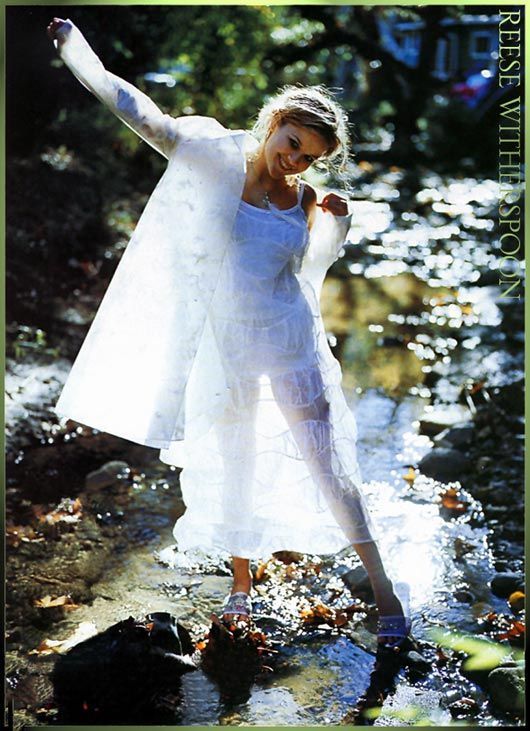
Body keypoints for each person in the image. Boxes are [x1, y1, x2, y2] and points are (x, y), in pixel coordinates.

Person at [47, 17, 411, 651]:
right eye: (292, 144)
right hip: (229, 347)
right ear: (275, 123)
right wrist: (79, 53)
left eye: (309, 156)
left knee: (328, 462)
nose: (295, 160)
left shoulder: (305, 198)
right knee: (237, 460)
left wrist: (337, 226)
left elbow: (308, 270)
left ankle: (385, 594)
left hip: (291, 342)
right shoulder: (215, 162)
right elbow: (145, 116)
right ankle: (241, 586)